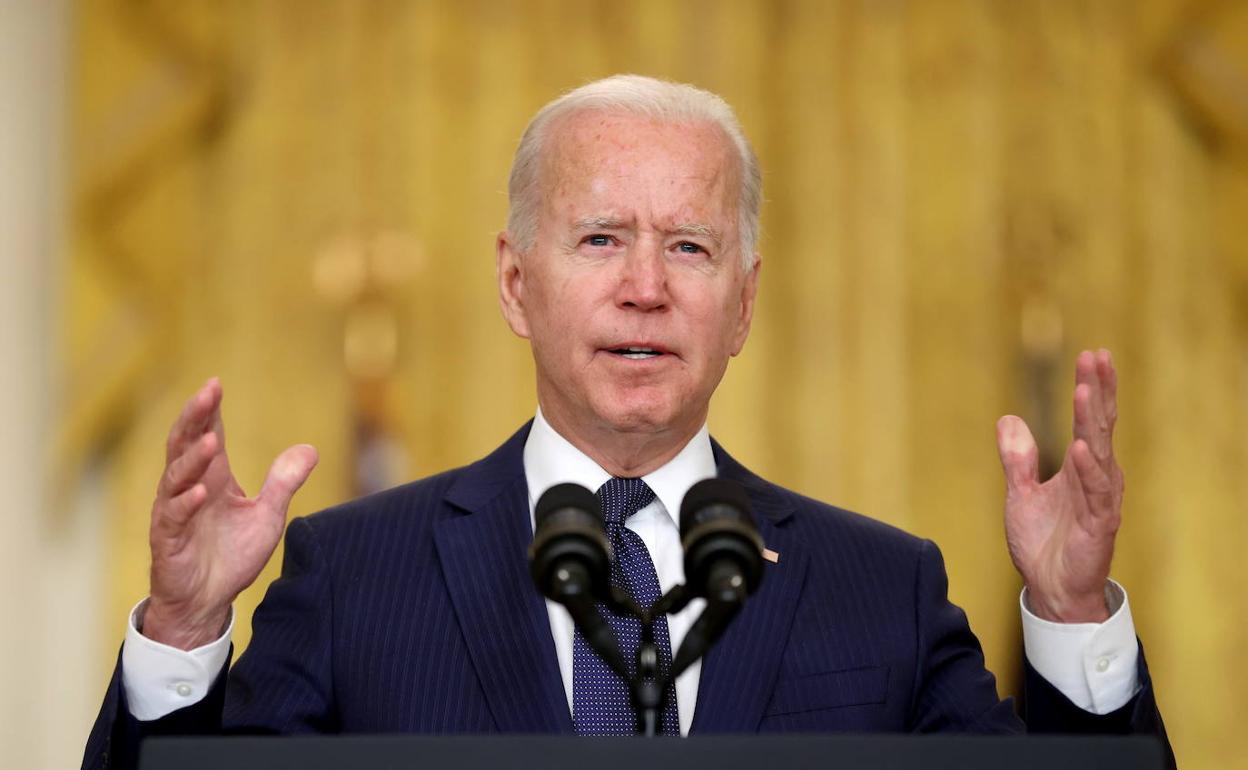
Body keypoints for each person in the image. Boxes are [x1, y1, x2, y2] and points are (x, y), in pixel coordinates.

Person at [83, 75, 1172, 769]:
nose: (646, 288)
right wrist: (181, 632)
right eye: (601, 239)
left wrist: (1071, 614)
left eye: (690, 247)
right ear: (517, 283)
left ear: (743, 303)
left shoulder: (880, 588)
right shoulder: (356, 574)